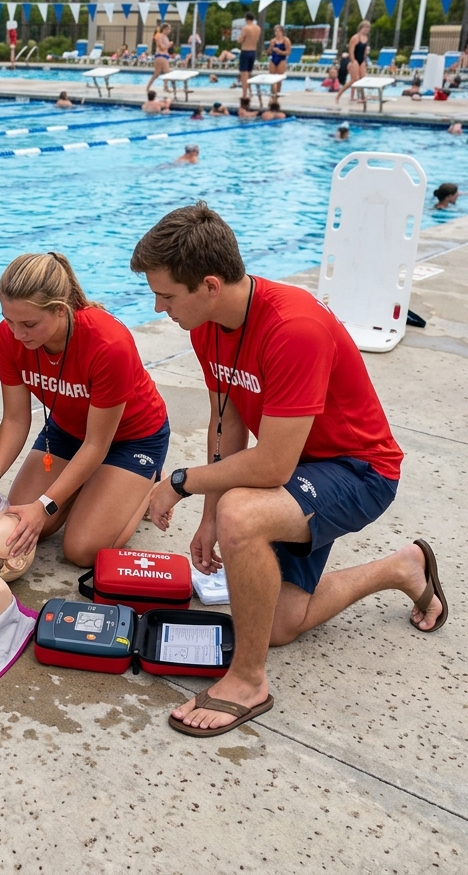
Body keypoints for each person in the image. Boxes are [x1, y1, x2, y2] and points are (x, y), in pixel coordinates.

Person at [130, 203, 445, 737]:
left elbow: (272, 464)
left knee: (244, 514)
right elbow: (226, 422)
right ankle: (401, 568)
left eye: (167, 295)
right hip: (303, 471)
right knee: (275, 624)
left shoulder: (292, 327)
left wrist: (180, 483)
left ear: (209, 286)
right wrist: (208, 518)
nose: (159, 308)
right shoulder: (208, 325)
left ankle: (248, 682)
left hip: (359, 472)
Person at [0, 253, 169, 567]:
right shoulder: (8, 336)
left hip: (132, 439)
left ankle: (148, 483)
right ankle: (95, 486)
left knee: (82, 550)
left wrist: (45, 503)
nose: (17, 334)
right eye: (9, 320)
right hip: (68, 432)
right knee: (20, 527)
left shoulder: (108, 344)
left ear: (61, 309)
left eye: (29, 324)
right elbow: (16, 419)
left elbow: (97, 444)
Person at [336, 21, 370, 103]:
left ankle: (362, 97)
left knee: (362, 79)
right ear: (361, 28)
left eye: (368, 28)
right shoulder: (355, 37)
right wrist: (353, 61)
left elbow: (364, 51)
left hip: (362, 60)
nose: (366, 29)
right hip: (355, 59)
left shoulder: (366, 38)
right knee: (354, 79)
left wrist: (365, 61)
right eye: (365, 27)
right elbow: (351, 51)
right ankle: (338, 95)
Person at [238, 13, 261, 100]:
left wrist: (238, 39)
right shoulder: (258, 28)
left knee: (244, 75)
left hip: (245, 51)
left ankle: (244, 95)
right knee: (249, 74)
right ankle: (250, 92)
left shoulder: (246, 28)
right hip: (253, 51)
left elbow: (240, 40)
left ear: (246, 19)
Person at [147, 23, 173, 92]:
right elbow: (161, 47)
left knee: (157, 73)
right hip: (161, 56)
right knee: (167, 73)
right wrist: (169, 45)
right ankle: (165, 87)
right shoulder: (160, 36)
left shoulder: (165, 37)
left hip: (164, 56)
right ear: (164, 29)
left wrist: (168, 45)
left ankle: (164, 87)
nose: (169, 31)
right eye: (168, 29)